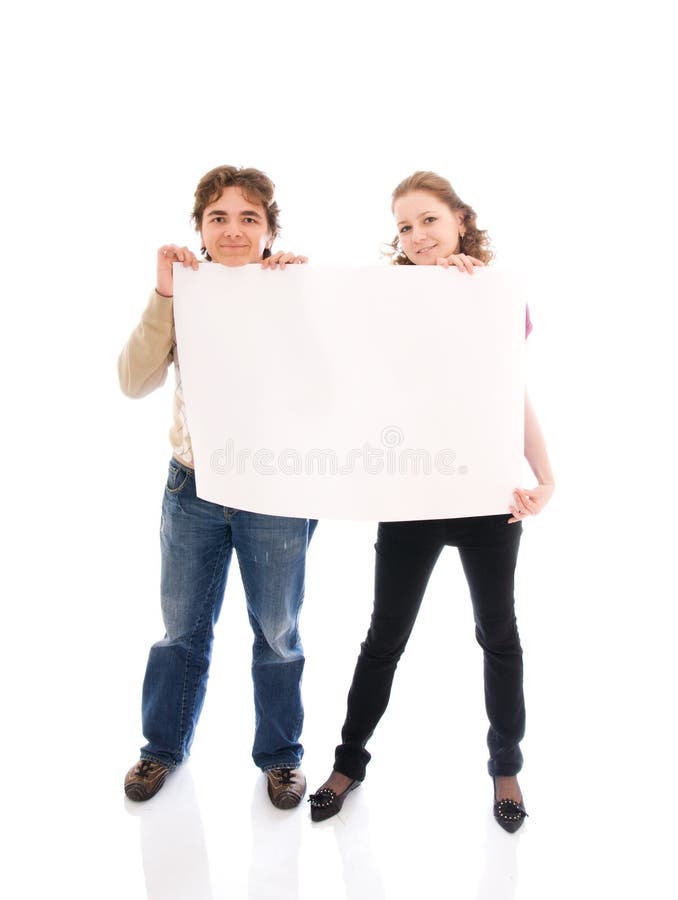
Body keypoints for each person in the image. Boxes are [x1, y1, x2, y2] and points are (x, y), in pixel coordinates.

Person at [309, 171, 554, 832]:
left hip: (486, 498)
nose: (417, 236)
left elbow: (513, 394)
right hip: (413, 492)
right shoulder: (388, 297)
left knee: (497, 634)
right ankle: (347, 764)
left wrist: (547, 476)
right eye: (405, 227)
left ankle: (506, 767)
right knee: (385, 635)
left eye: (429, 221)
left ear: (460, 221)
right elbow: (337, 342)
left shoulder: (497, 296)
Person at [119, 165, 314, 809]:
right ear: (200, 228)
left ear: (269, 228)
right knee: (180, 629)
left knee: (278, 631)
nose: (233, 230)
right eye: (218, 217)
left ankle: (281, 757)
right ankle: (161, 748)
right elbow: (133, 380)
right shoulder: (188, 292)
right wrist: (163, 294)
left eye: (249, 217)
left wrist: (301, 296)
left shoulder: (292, 287)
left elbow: (332, 384)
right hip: (195, 487)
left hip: (274, 492)